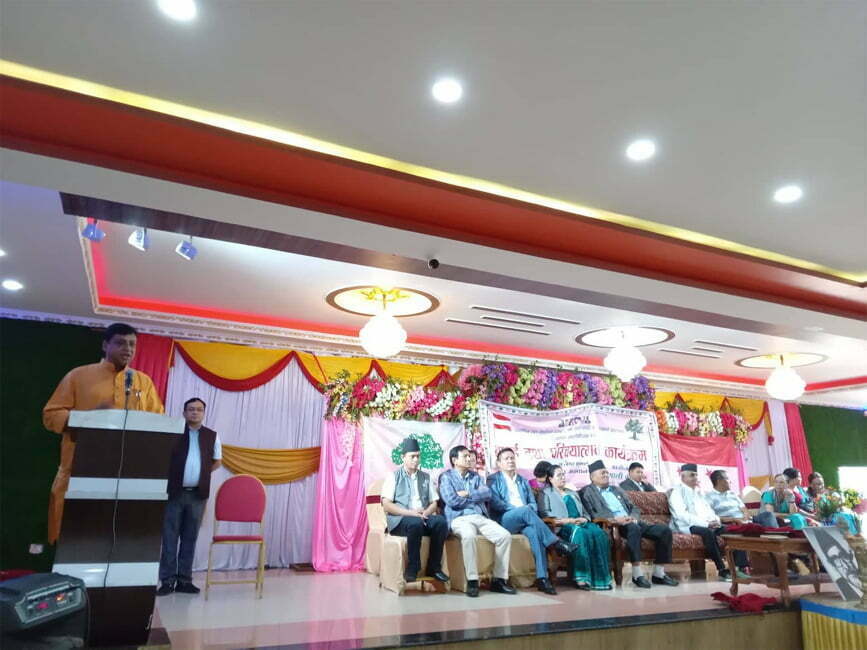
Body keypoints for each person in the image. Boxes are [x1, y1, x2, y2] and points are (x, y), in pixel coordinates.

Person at [42, 322, 164, 544]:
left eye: (132, 344)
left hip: (126, 474)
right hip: (81, 471)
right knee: (75, 541)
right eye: (120, 343)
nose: (128, 349)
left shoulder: (143, 382)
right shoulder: (78, 375)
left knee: (115, 539)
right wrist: (87, 419)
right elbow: (51, 415)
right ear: (105, 345)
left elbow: (157, 420)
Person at [486, 448, 577, 594]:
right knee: (525, 511)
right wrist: (518, 510)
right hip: (504, 519)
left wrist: (526, 510)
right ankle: (556, 543)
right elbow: (496, 503)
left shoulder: (522, 480)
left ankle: (542, 578)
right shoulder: (493, 479)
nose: (510, 461)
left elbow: (533, 504)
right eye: (506, 459)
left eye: (512, 458)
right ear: (499, 463)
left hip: (525, 518)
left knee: (535, 533)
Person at [157, 397, 222, 595]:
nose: (195, 412)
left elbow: (217, 461)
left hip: (198, 496)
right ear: (184, 413)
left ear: (204, 413)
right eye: (191, 409)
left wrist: (201, 474)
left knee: (190, 538)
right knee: (170, 538)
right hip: (174, 493)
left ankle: (184, 580)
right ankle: (167, 581)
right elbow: (162, 459)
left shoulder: (212, 436)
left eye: (199, 409)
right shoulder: (173, 433)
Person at [579, 459, 678, 589]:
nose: (606, 475)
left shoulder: (616, 489)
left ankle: (659, 573)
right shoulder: (587, 492)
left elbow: (634, 507)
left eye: (607, 473)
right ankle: (637, 574)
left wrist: (633, 517)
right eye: (602, 473)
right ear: (592, 477)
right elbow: (592, 514)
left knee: (664, 531)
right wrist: (615, 519)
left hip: (632, 521)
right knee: (634, 528)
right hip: (614, 525)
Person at [439, 445, 516, 597]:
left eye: (469, 456)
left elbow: (487, 493)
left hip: (479, 517)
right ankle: (472, 580)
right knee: (469, 536)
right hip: (459, 517)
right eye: (465, 456)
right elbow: (452, 500)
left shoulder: (475, 476)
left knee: (504, 536)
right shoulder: (446, 477)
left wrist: (467, 493)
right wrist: (474, 498)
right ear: (454, 460)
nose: (469, 459)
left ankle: (499, 580)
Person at [380, 437, 450, 585]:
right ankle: (413, 567)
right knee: (414, 523)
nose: (416, 459)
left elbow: (434, 502)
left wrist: (426, 513)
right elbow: (386, 505)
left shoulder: (425, 477)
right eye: (412, 456)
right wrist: (411, 513)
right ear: (403, 457)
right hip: (400, 520)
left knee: (440, 522)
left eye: (418, 456)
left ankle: (434, 567)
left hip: (422, 517)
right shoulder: (393, 477)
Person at [537, 464, 612, 590]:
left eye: (563, 474)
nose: (563, 477)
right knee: (580, 533)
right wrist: (568, 520)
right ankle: (581, 578)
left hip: (580, 522)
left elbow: (585, 512)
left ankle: (600, 579)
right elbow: (545, 514)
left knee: (599, 533)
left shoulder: (572, 492)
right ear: (550, 478)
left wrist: (584, 519)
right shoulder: (545, 493)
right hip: (562, 526)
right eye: (559, 475)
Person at [669, 463, 745, 581]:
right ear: (683, 477)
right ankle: (722, 570)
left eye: (696, 475)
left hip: (708, 524)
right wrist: (706, 524)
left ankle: (738, 568)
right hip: (688, 526)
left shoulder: (698, 492)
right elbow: (681, 515)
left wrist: (715, 520)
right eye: (692, 475)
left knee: (733, 531)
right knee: (708, 533)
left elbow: (708, 510)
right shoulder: (677, 492)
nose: (695, 478)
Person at [707, 469, 777, 528]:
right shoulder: (709, 497)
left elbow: (744, 509)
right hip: (731, 523)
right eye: (728, 479)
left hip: (745, 520)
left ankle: (775, 535)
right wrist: (734, 519)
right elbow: (712, 517)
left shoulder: (732, 494)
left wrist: (746, 517)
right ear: (719, 480)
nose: (730, 481)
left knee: (768, 515)